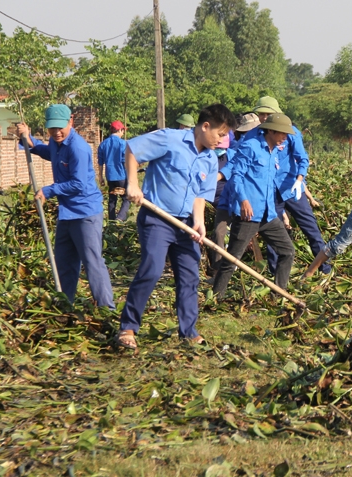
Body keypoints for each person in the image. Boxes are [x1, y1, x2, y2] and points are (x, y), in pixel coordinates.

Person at [117, 104, 237, 350]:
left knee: (190, 277)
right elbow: (132, 148)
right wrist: (132, 184)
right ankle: (128, 327)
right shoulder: (170, 139)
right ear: (205, 126)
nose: (222, 139)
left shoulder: (210, 160)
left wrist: (199, 223)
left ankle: (189, 332)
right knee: (152, 269)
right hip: (157, 218)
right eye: (220, 133)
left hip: (186, 225)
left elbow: (200, 196)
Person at [16, 104, 115, 309]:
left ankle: (107, 309)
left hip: (85, 212)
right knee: (64, 261)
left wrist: (47, 191)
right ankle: (64, 304)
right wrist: (29, 140)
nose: (56, 132)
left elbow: (78, 184)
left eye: (60, 127)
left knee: (91, 261)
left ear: (71, 121)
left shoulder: (77, 147)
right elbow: (47, 151)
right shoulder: (55, 143)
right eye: (52, 128)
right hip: (67, 212)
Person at [210, 113, 297, 298]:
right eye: (282, 133)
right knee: (233, 258)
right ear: (271, 131)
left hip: (268, 214)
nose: (285, 137)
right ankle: (217, 296)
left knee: (288, 252)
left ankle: (278, 295)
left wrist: (282, 213)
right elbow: (236, 176)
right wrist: (243, 200)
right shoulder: (251, 147)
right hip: (248, 214)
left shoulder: (275, 152)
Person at [248, 96, 332, 275]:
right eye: (261, 114)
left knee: (311, 229)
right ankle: (276, 276)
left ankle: (325, 270)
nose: (263, 117)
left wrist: (299, 180)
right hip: (270, 192)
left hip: (293, 189)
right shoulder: (254, 134)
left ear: (275, 113)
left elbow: (303, 158)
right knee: (273, 235)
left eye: (267, 114)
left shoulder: (290, 132)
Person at [206, 113, 259, 280]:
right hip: (227, 198)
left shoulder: (260, 147)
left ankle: (250, 267)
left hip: (246, 200)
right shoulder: (239, 147)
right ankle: (218, 270)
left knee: (244, 235)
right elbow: (234, 167)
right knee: (219, 232)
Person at [97, 120, 130, 221]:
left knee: (112, 200)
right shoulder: (123, 144)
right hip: (121, 176)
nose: (123, 133)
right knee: (127, 198)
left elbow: (100, 163)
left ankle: (111, 221)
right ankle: (119, 219)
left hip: (110, 177)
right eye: (123, 130)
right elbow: (125, 162)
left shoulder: (103, 144)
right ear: (119, 130)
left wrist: (100, 177)